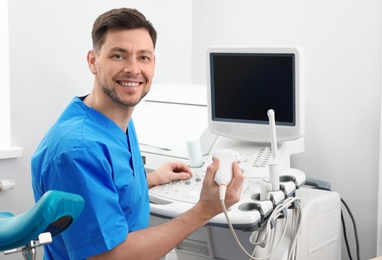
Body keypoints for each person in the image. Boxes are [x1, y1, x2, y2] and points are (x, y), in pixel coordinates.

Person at [31, 7, 243, 260]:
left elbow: (108, 183)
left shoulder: (115, 117)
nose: (133, 69)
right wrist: (205, 210)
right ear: (93, 61)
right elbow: (106, 257)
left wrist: (148, 179)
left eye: (143, 57)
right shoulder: (79, 150)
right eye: (119, 56)